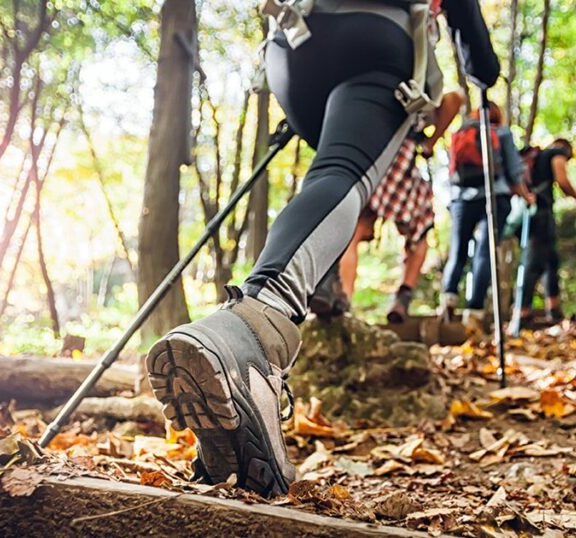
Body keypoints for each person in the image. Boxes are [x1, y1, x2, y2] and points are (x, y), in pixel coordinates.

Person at [145, 0, 500, 498]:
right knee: (342, 175)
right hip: (376, 42)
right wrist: (485, 68)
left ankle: (310, 305)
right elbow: (469, 33)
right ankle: (255, 330)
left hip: (290, 49)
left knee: (329, 173)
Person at [326, 91, 464, 323]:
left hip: (369, 158)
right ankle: (403, 296)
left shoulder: (371, 91)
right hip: (401, 161)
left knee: (354, 232)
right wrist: (430, 142)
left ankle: (344, 301)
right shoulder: (417, 85)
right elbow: (455, 98)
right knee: (420, 233)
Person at [439, 103, 532, 326]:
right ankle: (474, 311)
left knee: (458, 251)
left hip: (461, 199)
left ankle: (448, 299)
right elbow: (513, 172)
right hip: (494, 196)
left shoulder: (461, 132)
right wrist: (527, 196)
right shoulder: (502, 133)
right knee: (485, 252)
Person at [512, 138, 576, 326]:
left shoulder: (535, 158)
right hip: (540, 212)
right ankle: (522, 313)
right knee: (534, 262)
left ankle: (553, 309)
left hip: (529, 213)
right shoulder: (556, 153)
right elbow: (562, 180)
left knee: (550, 260)